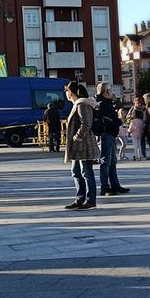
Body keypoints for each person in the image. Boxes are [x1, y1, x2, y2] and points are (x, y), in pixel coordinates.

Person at [64, 81, 101, 210]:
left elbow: (86, 123)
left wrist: (77, 136)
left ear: (71, 92)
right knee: (76, 172)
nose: (66, 93)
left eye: (66, 91)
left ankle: (91, 200)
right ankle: (80, 198)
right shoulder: (77, 104)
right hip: (78, 146)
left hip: (84, 145)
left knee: (86, 172)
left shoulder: (82, 104)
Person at [95, 82, 130, 196]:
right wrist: (117, 122)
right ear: (106, 91)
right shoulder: (101, 104)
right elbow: (107, 119)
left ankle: (115, 185)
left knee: (113, 162)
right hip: (105, 134)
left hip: (111, 134)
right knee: (105, 162)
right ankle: (105, 188)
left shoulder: (108, 102)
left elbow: (111, 118)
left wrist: (116, 121)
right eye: (110, 90)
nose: (112, 92)